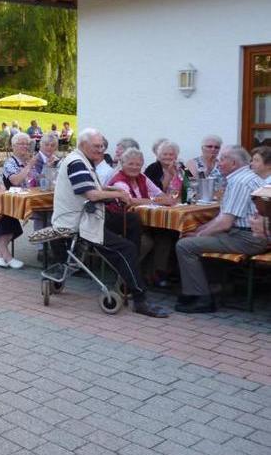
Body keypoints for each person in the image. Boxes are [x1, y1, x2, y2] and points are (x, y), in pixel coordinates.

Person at [51, 128, 169, 317]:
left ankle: (128, 277)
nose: (101, 150)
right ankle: (140, 299)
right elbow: (91, 194)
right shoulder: (76, 162)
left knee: (132, 219)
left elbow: (94, 189)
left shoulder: (84, 161)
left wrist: (111, 189)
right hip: (79, 222)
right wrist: (117, 193)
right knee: (127, 248)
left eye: (102, 146)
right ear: (83, 145)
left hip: (90, 216)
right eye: (96, 146)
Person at [175, 146, 267, 313]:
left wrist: (199, 234)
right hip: (247, 234)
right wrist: (199, 231)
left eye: (222, 159)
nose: (219, 162)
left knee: (185, 246)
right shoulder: (244, 177)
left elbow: (225, 222)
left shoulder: (240, 181)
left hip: (248, 237)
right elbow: (223, 218)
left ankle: (202, 298)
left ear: (233, 163)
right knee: (195, 239)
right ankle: (212, 287)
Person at [108, 148, 177, 287]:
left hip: (146, 222)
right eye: (131, 164)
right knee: (146, 242)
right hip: (124, 225)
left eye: (138, 164)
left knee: (166, 235)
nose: (135, 167)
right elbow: (129, 200)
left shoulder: (142, 177)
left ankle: (155, 275)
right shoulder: (119, 181)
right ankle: (125, 277)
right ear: (122, 163)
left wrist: (165, 198)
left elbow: (159, 194)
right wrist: (157, 201)